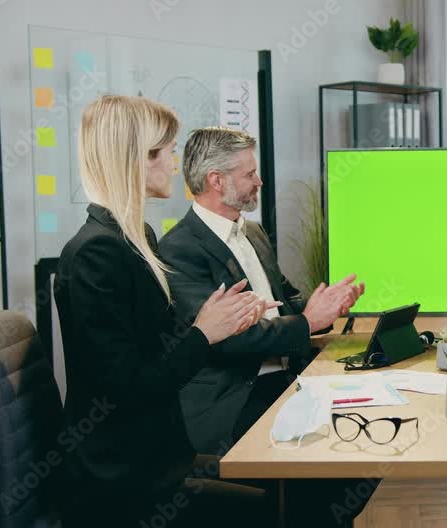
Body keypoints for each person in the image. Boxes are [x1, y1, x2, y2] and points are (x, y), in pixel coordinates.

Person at [54, 96, 277, 526]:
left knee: (292, 484)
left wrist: (222, 321)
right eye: (168, 152)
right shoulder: (97, 254)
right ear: (136, 159)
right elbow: (128, 388)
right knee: (282, 507)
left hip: (157, 454)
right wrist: (204, 332)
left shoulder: (135, 240)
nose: (176, 165)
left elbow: (159, 348)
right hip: (124, 479)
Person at [158, 126, 371, 527]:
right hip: (236, 395)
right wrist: (308, 321)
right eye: (250, 173)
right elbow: (225, 340)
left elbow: (285, 302)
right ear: (216, 181)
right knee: (332, 464)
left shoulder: (252, 232)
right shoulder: (178, 249)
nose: (259, 181)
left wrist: (324, 307)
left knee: (365, 438)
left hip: (284, 381)